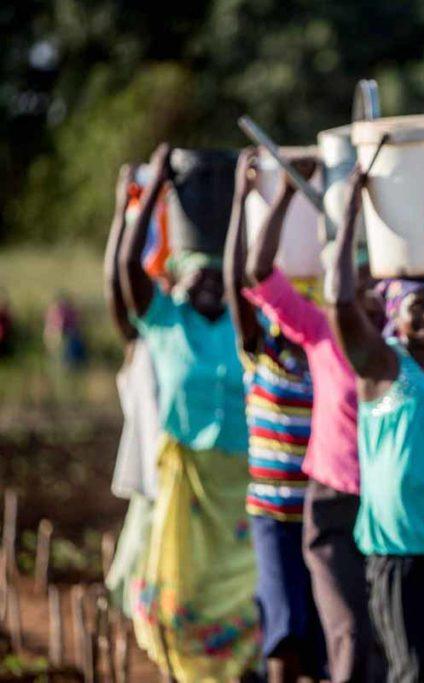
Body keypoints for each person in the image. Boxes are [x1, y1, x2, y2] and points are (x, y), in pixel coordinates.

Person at [117, 143, 258, 681]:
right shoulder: (165, 321)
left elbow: (252, 271)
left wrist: (245, 197)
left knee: (243, 595)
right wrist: (150, 190)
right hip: (188, 482)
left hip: (242, 478)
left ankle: (239, 669)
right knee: (180, 595)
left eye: (215, 275)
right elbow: (130, 265)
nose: (206, 283)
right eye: (195, 273)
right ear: (178, 278)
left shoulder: (243, 326)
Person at [326, 164, 424, 682]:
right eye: (416, 308)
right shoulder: (383, 365)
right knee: (412, 670)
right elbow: (340, 302)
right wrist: (348, 216)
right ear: (394, 316)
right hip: (399, 552)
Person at [243, 158, 381, 683]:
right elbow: (260, 271)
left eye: (370, 275)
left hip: (391, 500)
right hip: (331, 502)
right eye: (349, 275)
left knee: (386, 627)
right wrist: (281, 198)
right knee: (345, 629)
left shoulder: (402, 337)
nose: (358, 287)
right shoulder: (320, 330)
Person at [225, 148, 327, 682]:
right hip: (274, 514)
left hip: (326, 511)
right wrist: (257, 197)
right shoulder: (258, 352)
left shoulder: (330, 352)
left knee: (325, 636)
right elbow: (237, 282)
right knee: (283, 635)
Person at [103, 163, 162, 617]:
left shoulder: (188, 334)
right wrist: (125, 209)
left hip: (193, 482)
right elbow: (116, 283)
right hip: (151, 484)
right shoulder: (142, 336)